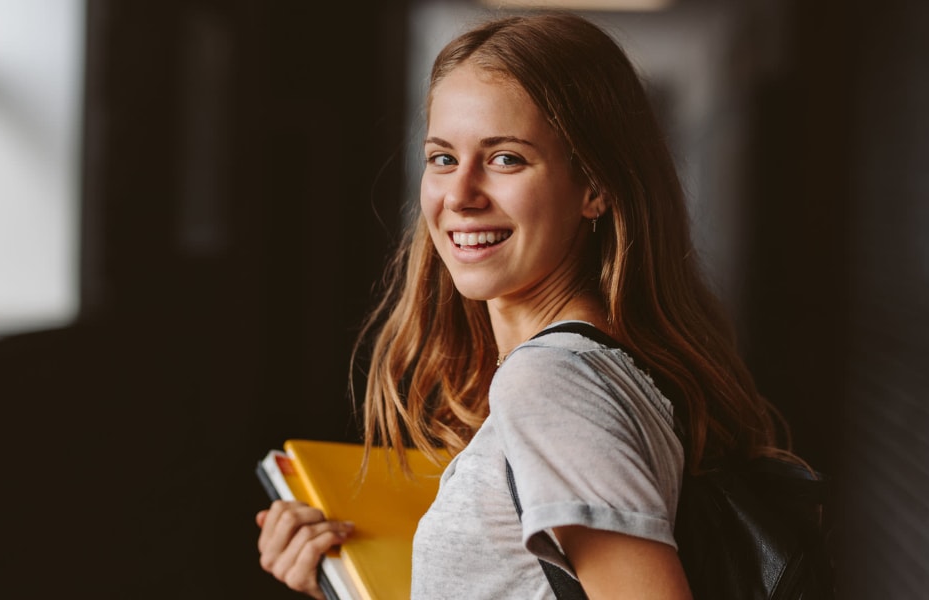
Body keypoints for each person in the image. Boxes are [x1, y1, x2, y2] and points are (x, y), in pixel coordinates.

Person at [256, 11, 792, 599]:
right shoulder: (602, 371)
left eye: (505, 158)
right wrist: (339, 581)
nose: (459, 196)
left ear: (595, 187)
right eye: (442, 158)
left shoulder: (553, 384)